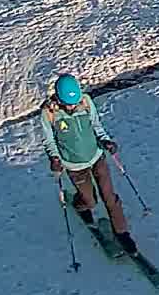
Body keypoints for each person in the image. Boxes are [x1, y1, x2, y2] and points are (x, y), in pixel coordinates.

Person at [43, 73, 136, 254]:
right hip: (74, 165)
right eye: (68, 103)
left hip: (96, 157)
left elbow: (96, 126)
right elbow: (49, 141)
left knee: (110, 197)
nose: (72, 106)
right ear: (59, 98)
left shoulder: (85, 102)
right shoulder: (49, 114)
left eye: (75, 102)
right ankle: (81, 205)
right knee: (90, 200)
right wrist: (54, 158)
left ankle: (123, 234)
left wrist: (105, 141)